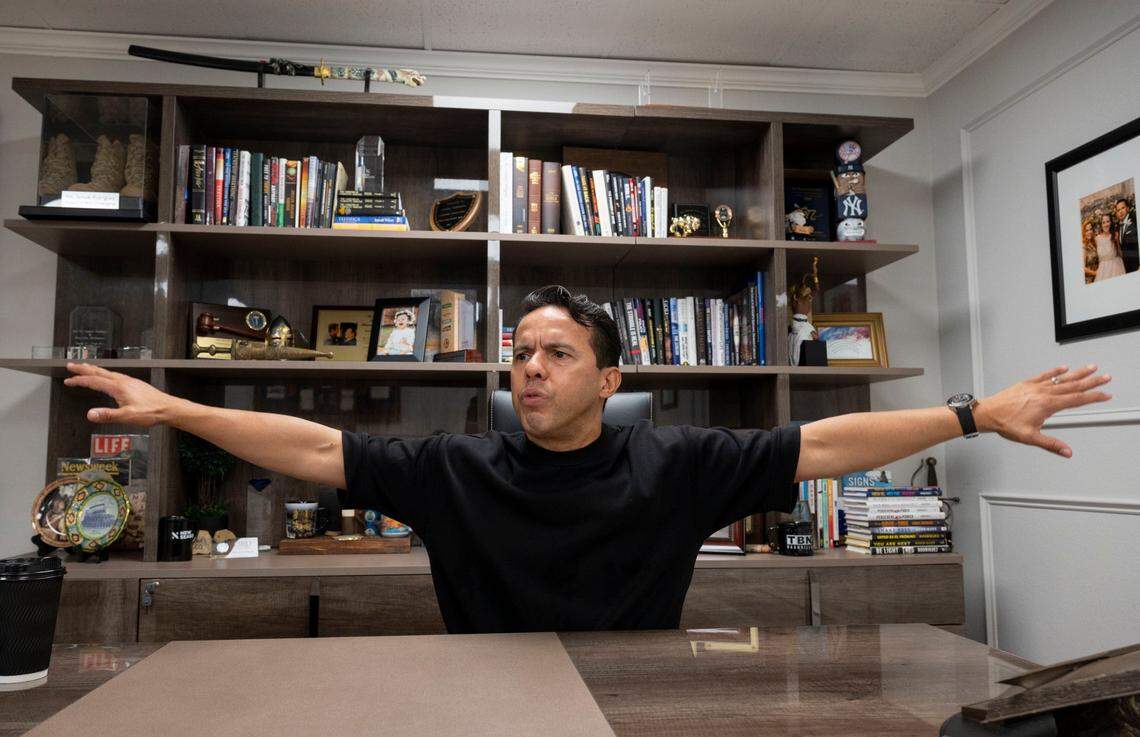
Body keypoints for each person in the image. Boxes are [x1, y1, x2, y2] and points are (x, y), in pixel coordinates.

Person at [63, 285, 1112, 634]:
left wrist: (973, 412)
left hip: (636, 696)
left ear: (610, 380)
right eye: (519, 354)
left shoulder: (677, 460)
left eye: (556, 353)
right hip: (485, 704)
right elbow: (309, 444)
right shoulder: (455, 469)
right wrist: (176, 404)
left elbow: (829, 440)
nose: (529, 369)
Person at [1094, 212, 1125, 282]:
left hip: (1116, 268)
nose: (1106, 224)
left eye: (1108, 221)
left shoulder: (1114, 235)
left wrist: (1117, 242)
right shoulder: (1096, 239)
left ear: (1111, 222)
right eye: (1103, 222)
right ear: (1101, 224)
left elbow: (1121, 255)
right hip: (1103, 271)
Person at [1115, 198, 1138, 273]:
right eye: (1118, 210)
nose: (1120, 212)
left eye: (1123, 208)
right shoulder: (1118, 227)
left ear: (1127, 209)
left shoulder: (1135, 222)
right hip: (1126, 268)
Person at [1081, 219, 1099, 284]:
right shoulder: (1084, 247)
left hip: (1097, 278)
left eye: (1090, 229)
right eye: (1087, 230)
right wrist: (1095, 273)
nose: (1089, 232)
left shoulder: (1093, 242)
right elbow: (1082, 268)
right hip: (1089, 280)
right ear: (1083, 232)